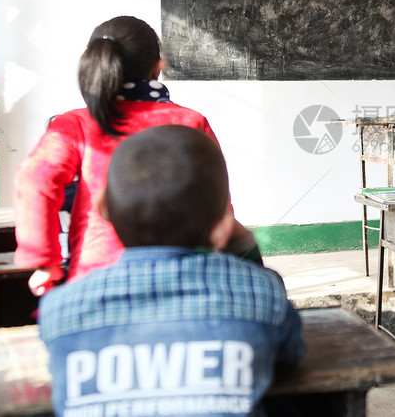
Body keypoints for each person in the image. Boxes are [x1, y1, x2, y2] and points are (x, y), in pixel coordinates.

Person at [38, 125, 305, 417]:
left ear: (102, 208)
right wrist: (243, 247)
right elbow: (287, 357)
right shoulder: (262, 295)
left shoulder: (59, 309)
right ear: (222, 229)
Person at [14, 16, 259, 297]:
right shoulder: (189, 121)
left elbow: (34, 179)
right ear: (158, 66)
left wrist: (44, 261)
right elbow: (216, 202)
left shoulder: (75, 125)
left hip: (96, 279)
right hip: (185, 278)